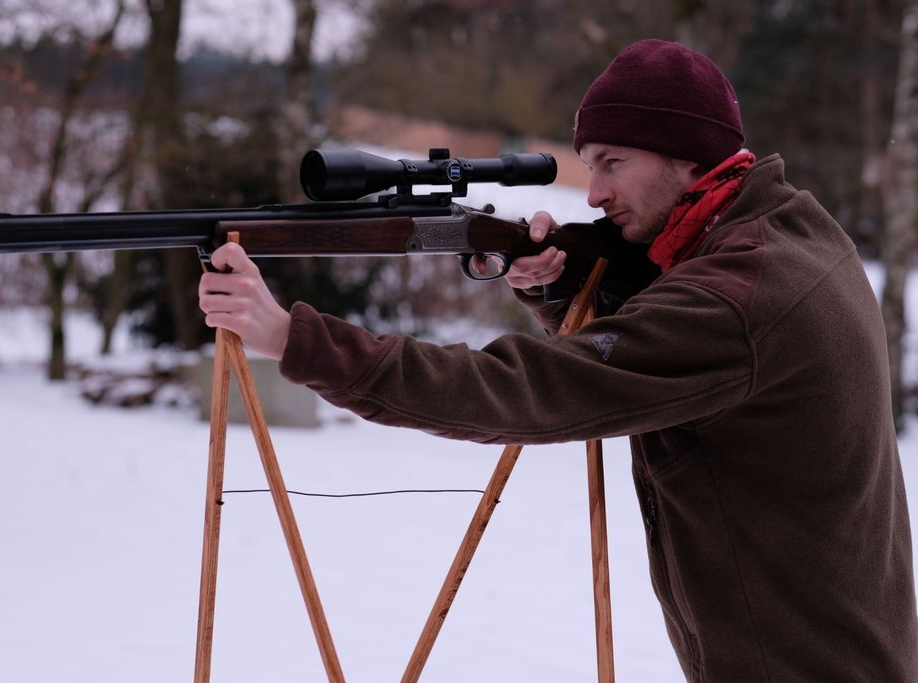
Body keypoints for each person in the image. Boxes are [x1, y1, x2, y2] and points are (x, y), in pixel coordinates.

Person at [198, 39, 918, 680]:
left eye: (612, 163)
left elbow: (526, 388)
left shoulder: (739, 300)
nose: (595, 192)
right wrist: (568, 283)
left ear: (686, 155)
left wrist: (294, 339)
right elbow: (660, 342)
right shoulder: (790, 229)